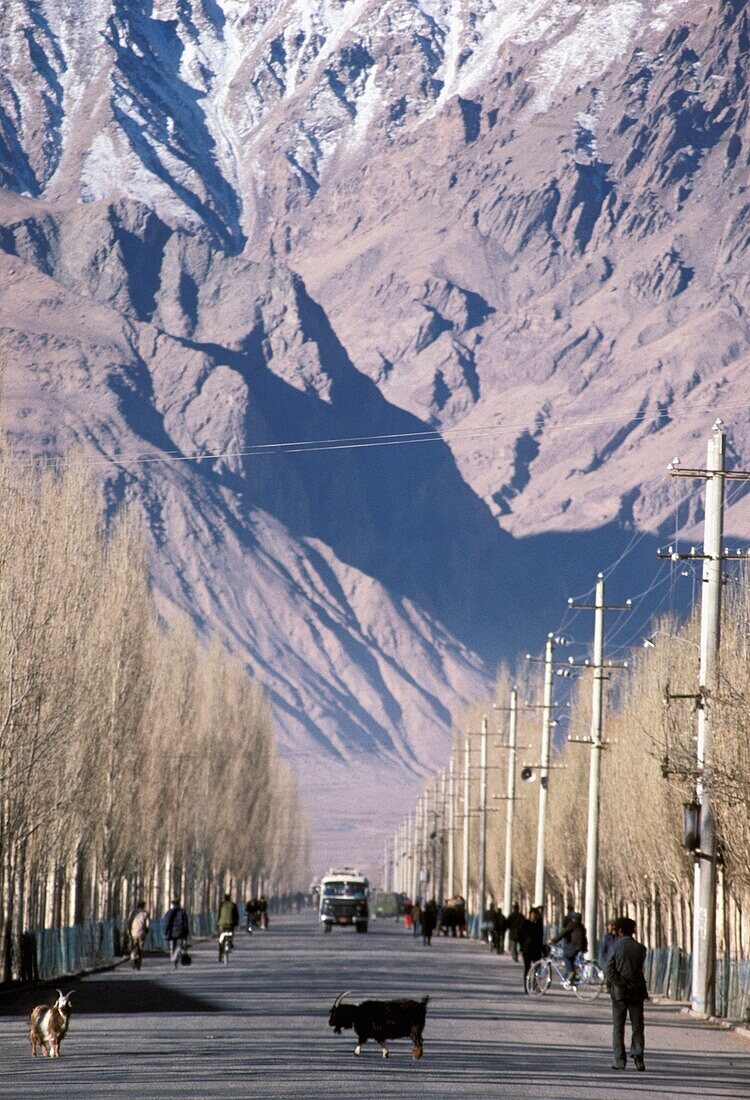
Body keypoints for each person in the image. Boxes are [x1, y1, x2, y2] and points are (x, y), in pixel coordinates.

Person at [604, 916, 648, 1072]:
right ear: (633, 931)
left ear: (620, 931)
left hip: (619, 993)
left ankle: (619, 1060)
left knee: (618, 1027)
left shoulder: (615, 948)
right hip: (637, 992)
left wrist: (621, 982)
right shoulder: (641, 948)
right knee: (637, 1026)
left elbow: (608, 970)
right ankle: (638, 1056)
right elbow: (638, 970)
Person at [551, 910, 588, 986]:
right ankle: (571, 978)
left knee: (566, 955)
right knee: (571, 959)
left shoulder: (572, 924)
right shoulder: (581, 926)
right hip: (581, 947)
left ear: (574, 919)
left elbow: (563, 933)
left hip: (575, 945)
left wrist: (553, 941)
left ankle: (571, 973)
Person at [520, 907, 544, 991]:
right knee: (527, 968)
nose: (534, 916)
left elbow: (541, 938)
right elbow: (520, 936)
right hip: (527, 950)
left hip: (537, 950)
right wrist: (522, 947)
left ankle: (535, 985)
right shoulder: (525, 923)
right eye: (532, 914)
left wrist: (543, 950)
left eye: (535, 914)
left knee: (537, 968)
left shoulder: (539, 925)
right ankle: (527, 986)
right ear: (530, 915)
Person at [163, 897, 190, 969]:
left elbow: (167, 923)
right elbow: (185, 923)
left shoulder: (169, 912)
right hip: (181, 933)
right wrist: (186, 933)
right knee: (179, 947)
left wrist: (165, 932)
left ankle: (173, 958)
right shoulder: (182, 912)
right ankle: (175, 958)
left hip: (172, 933)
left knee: (172, 947)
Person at [128, 900, 150, 970]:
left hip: (133, 932)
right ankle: (138, 964)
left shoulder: (132, 913)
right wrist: (147, 930)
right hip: (142, 933)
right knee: (140, 949)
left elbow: (129, 922)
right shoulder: (145, 913)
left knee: (134, 947)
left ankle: (133, 958)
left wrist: (129, 931)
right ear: (144, 906)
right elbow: (148, 924)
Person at [217, 892, 239, 961]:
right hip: (230, 923)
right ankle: (230, 942)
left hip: (221, 924)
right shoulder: (233, 905)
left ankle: (220, 954)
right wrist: (236, 924)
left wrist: (217, 924)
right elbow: (236, 916)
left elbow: (218, 915)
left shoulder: (221, 905)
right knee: (231, 933)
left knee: (221, 938)